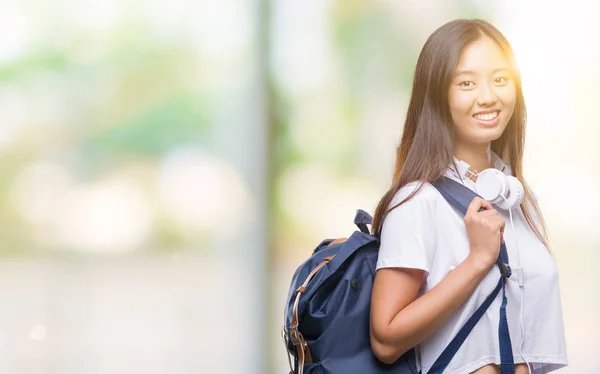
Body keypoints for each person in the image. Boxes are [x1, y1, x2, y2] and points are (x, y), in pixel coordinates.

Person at [368, 19, 568, 374]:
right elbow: (385, 339)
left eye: (501, 79)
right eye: (466, 83)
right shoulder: (418, 201)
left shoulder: (516, 195)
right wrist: (477, 261)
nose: (488, 95)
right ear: (438, 96)